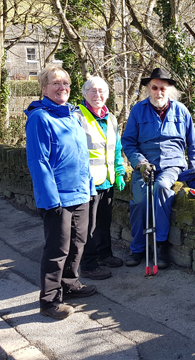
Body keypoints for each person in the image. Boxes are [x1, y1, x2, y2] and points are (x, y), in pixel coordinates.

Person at [25, 65, 98, 320]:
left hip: (80, 193)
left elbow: (82, 156)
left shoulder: (73, 115)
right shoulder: (40, 117)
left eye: (65, 83)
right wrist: (50, 198)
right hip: (59, 197)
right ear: (43, 88)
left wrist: (89, 187)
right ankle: (49, 301)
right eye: (55, 83)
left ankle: (70, 284)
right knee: (57, 249)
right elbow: (38, 161)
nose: (62, 88)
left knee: (79, 243)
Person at [121, 68, 195, 268]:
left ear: (169, 90)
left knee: (162, 187)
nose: (158, 92)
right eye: (154, 88)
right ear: (149, 89)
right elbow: (128, 142)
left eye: (162, 88)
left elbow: (193, 143)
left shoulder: (181, 110)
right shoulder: (138, 110)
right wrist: (139, 163)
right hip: (145, 165)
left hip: (172, 165)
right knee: (139, 201)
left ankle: (160, 245)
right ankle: (137, 248)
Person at [76, 76, 126, 280]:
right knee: (88, 226)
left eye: (102, 91)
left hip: (107, 179)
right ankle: (88, 264)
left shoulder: (111, 118)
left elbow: (116, 149)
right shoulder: (77, 116)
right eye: (93, 90)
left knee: (104, 222)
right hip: (87, 182)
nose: (98, 95)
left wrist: (120, 171)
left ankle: (105, 255)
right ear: (85, 93)